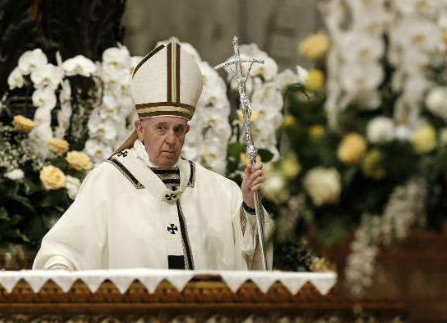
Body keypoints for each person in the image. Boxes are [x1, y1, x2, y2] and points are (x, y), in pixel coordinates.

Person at [33, 41, 274, 271]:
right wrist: (60, 269)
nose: (171, 139)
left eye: (178, 130)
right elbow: (63, 249)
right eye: (161, 128)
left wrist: (250, 208)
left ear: (186, 131)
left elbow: (253, 258)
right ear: (140, 129)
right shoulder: (106, 182)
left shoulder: (220, 191)